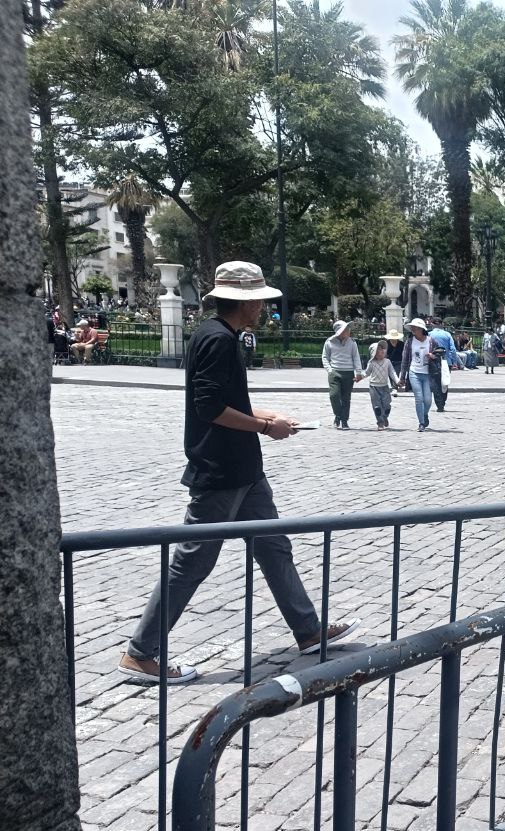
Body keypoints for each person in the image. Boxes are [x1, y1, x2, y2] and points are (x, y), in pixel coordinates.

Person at [117, 261, 356, 684]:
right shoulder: (218, 340)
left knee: (273, 547)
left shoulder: (220, 336)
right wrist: (266, 427)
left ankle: (308, 630)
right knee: (191, 563)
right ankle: (141, 652)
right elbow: (208, 408)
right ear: (242, 303)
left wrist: (268, 415)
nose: (262, 308)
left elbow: (229, 401)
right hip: (222, 472)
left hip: (244, 471)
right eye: (259, 301)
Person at [397, 317, 437, 431]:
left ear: (422, 329)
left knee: (428, 399)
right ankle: (421, 423)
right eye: (412, 328)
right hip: (414, 372)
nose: (413, 330)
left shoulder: (431, 341)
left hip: (427, 373)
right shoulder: (409, 342)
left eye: (416, 328)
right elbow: (405, 360)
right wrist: (402, 377)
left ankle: (424, 414)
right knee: (419, 398)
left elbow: (439, 354)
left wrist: (433, 356)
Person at [323, 319, 363, 429]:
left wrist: (358, 372)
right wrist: (330, 370)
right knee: (334, 395)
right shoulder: (329, 342)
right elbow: (325, 357)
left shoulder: (352, 342)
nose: (349, 331)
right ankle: (338, 415)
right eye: (346, 329)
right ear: (340, 331)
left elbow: (356, 358)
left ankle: (344, 421)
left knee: (346, 398)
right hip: (335, 372)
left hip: (348, 373)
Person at [364, 339, 398, 430]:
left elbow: (392, 372)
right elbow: (367, 373)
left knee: (387, 406)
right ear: (374, 353)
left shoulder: (387, 362)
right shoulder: (371, 363)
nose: (382, 351)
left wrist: (397, 381)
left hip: (385, 387)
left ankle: (385, 417)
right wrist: (359, 376)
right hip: (374, 387)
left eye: (383, 348)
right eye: (379, 349)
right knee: (377, 407)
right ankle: (380, 422)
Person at [426, 317, 455, 411]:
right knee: (445, 382)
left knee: (435, 383)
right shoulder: (447, 334)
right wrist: (453, 360)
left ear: (432, 324)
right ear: (442, 324)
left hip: (433, 361)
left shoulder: (429, 335)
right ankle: (443, 401)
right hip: (446, 361)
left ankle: (439, 404)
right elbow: (453, 349)